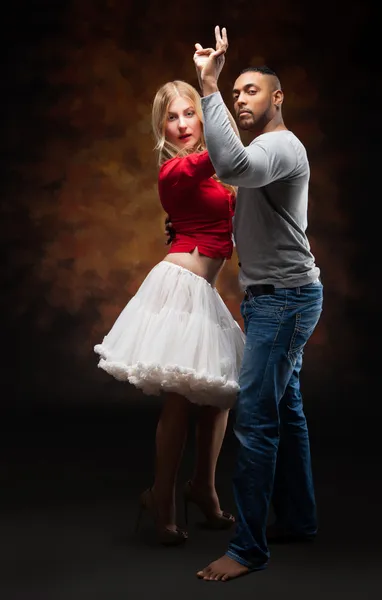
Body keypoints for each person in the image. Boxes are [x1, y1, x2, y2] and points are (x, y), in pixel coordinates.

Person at [184, 26, 323, 580]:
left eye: (251, 91)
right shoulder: (263, 149)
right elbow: (245, 197)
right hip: (274, 299)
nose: (241, 99)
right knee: (285, 411)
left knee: (257, 421)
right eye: (235, 91)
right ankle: (297, 520)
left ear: (277, 98)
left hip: (285, 301)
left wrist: (210, 85)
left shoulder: (281, 146)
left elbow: (234, 169)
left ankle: (247, 548)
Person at [94, 79, 245, 546]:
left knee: (219, 394)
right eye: (172, 117)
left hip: (204, 290)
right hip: (180, 289)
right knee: (180, 398)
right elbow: (223, 156)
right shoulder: (175, 171)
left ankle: (202, 486)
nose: (182, 124)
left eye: (189, 114)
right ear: (162, 127)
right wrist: (215, 94)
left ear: (199, 119)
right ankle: (162, 497)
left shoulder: (213, 174)